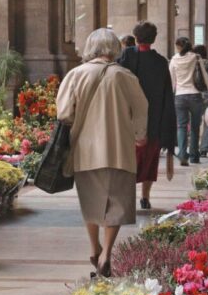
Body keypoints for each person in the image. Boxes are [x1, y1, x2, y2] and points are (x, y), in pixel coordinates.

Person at [57, 28, 149, 278]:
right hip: (119, 149)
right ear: (114, 49)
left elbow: (64, 113)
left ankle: (93, 246)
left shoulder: (76, 75)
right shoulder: (125, 76)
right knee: (116, 202)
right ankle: (107, 252)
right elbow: (141, 109)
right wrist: (140, 135)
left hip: (85, 151)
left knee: (91, 200)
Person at [118, 21, 176, 210]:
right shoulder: (160, 62)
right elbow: (168, 94)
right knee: (149, 162)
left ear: (136, 37)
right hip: (153, 122)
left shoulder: (126, 56)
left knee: (127, 162)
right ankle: (145, 197)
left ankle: (126, 197)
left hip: (129, 121)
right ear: (154, 38)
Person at [169, 37, 208, 166]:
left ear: (178, 47)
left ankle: (182, 154)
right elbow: (205, 77)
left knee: (181, 126)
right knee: (195, 127)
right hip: (195, 96)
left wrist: (170, 97)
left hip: (180, 97)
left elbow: (172, 81)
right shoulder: (196, 57)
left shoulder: (174, 60)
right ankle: (194, 156)